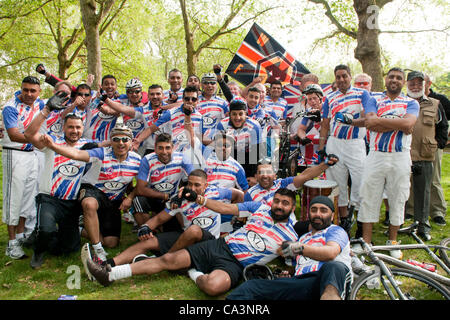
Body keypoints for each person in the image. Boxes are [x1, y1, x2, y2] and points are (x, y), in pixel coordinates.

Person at [84, 188, 299, 297]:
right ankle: (109, 273)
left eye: (285, 203)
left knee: (213, 288)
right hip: (220, 246)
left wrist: (286, 260)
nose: (279, 206)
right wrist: (199, 198)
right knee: (167, 259)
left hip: (236, 265)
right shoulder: (259, 208)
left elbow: (289, 261)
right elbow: (225, 208)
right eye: (277, 201)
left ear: (292, 207)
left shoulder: (291, 235)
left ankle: (192, 271)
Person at [40, 123, 141, 260]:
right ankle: (97, 247)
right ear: (111, 141)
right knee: (89, 204)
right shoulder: (101, 153)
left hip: (113, 200)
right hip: (94, 191)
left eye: (125, 139)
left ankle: (79, 228)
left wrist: (130, 197)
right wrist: (53, 146)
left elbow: (141, 185)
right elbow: (76, 153)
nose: (120, 143)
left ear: (131, 141)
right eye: (116, 139)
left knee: (111, 243)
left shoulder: (137, 160)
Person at [24, 101, 105, 268]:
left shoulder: (87, 146)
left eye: (78, 127)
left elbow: (110, 147)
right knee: (47, 229)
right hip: (49, 198)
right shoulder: (52, 141)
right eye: (71, 127)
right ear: (64, 128)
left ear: (82, 129)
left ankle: (39, 235)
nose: (74, 131)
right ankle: (38, 251)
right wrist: (46, 110)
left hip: (71, 202)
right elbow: (29, 135)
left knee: (69, 249)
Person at [226, 195, 352, 300]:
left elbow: (330, 253)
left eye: (323, 211)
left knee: (333, 266)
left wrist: (299, 248)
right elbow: (297, 266)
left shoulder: (335, 231)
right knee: (251, 286)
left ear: (332, 215)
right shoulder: (303, 238)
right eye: (314, 210)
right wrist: (286, 273)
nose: (318, 214)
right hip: (302, 284)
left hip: (328, 280)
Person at [357, 67, 419, 258]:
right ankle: (366, 242)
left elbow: (408, 125)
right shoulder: (374, 99)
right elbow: (369, 122)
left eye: (399, 78)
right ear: (385, 79)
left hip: (400, 155)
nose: (394, 80)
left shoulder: (411, 102)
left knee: (398, 196)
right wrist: (397, 122)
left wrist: (380, 122)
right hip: (376, 154)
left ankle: (392, 241)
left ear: (403, 82)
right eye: (391, 76)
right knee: (369, 195)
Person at [318, 64, 375, 233]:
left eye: (344, 76)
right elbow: (325, 124)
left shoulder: (362, 94)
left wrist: (350, 121)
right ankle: (344, 222)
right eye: (338, 77)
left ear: (350, 77)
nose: (341, 79)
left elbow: (367, 119)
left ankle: (360, 221)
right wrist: (322, 147)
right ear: (335, 79)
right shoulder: (329, 97)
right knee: (338, 184)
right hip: (335, 143)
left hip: (355, 143)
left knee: (360, 183)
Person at [2, 76, 45, 259]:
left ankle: (21, 235)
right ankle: (11, 243)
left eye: (32, 91)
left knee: (28, 197)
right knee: (14, 197)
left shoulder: (40, 104)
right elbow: (13, 135)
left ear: (38, 91)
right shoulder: (10, 106)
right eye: (25, 90)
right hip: (15, 153)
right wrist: (39, 140)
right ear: (21, 89)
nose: (28, 94)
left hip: (32, 154)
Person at [405, 71, 446, 241]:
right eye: (412, 83)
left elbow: (443, 127)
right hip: (403, 153)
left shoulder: (435, 104)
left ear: (425, 85)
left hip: (425, 153)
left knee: (425, 190)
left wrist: (437, 144)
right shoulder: (401, 102)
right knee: (401, 189)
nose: (415, 86)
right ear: (407, 85)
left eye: (419, 84)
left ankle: (423, 225)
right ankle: (401, 222)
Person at [131, 133, 193, 229]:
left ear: (173, 148)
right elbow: (140, 189)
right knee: (138, 200)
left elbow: (193, 181)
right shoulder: (147, 160)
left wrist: (179, 194)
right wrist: (164, 196)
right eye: (160, 148)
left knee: (172, 229)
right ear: (155, 148)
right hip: (153, 196)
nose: (164, 152)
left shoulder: (182, 158)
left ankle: (161, 223)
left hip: (173, 198)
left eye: (167, 148)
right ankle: (147, 231)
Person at [131, 86, 203, 159]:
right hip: (173, 155)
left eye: (193, 99)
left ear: (197, 101)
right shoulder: (170, 113)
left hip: (191, 156)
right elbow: (151, 128)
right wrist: (138, 140)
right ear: (183, 99)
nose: (190, 101)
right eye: (187, 99)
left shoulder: (200, 117)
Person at [244, 155, 338, 207]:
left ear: (275, 175)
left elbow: (306, 175)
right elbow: (244, 217)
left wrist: (326, 164)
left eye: (268, 172)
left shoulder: (283, 184)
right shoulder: (250, 194)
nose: (265, 175)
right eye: (261, 172)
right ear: (256, 176)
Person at [209, 99, 263, 185]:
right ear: (229, 114)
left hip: (248, 157)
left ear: (246, 114)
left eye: (241, 114)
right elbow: (218, 150)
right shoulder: (222, 125)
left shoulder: (254, 126)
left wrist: (254, 175)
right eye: (234, 114)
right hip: (229, 154)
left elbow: (257, 152)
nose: (237, 118)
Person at [424, 74, 448, 226]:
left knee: (434, 179)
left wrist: (440, 142)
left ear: (429, 83)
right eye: (412, 83)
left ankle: (437, 211)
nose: (417, 86)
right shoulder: (407, 100)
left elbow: (443, 123)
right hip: (412, 148)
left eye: (422, 82)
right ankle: (411, 211)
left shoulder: (439, 101)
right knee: (412, 181)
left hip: (432, 147)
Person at [82, 75, 122, 141]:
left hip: (105, 142)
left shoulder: (119, 101)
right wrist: (88, 84)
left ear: (116, 87)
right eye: (106, 84)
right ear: (101, 86)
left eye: (112, 84)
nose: (109, 86)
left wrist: (99, 104)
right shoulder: (93, 94)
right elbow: (81, 94)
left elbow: (109, 111)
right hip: (85, 138)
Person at [296, 84, 324, 167]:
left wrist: (319, 121)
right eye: (309, 99)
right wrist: (304, 138)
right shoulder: (310, 111)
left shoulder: (328, 107)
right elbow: (301, 129)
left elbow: (331, 128)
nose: (312, 101)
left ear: (320, 98)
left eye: (314, 98)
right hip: (322, 141)